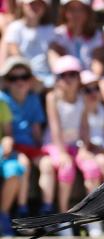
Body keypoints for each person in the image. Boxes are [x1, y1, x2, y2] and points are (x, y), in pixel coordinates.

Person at [42, 56, 104, 235]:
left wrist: (85, 149)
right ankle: (64, 217)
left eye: (73, 75)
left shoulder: (82, 98)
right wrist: (62, 153)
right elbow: (55, 127)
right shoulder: (52, 97)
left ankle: (91, 218)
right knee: (66, 169)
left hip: (76, 145)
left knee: (92, 168)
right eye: (64, 75)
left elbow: (84, 126)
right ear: (57, 79)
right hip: (55, 145)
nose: (69, 79)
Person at [50, 0, 104, 126]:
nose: (76, 14)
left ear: (88, 12)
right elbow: (58, 62)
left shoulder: (97, 35)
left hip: (92, 76)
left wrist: (90, 79)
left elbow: (97, 62)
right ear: (64, 12)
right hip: (69, 77)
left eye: (80, 10)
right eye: (72, 10)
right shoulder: (58, 35)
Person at [0, 57, 44, 217]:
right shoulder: (2, 100)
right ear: (7, 81)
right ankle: (22, 210)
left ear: (30, 80)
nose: (20, 82)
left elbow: (36, 129)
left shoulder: (33, 99)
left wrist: (40, 149)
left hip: (29, 147)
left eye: (24, 77)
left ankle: (48, 209)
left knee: (46, 165)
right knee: (23, 165)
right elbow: (8, 135)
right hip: (14, 149)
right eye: (14, 78)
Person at [1, 0, 55, 90]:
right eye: (32, 4)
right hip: (22, 76)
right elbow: (16, 54)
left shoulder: (50, 30)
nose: (35, 7)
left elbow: (52, 55)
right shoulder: (14, 27)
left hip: (45, 77)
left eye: (39, 4)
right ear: (23, 5)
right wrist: (30, 76)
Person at [80, 70, 104, 178]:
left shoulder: (103, 109)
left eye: (96, 88)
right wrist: (103, 150)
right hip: (91, 150)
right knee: (103, 161)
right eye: (88, 90)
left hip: (103, 148)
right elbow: (84, 141)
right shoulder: (80, 111)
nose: (93, 93)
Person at [0, 97, 27, 235]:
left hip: (1, 153)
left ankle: (3, 216)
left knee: (15, 169)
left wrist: (7, 141)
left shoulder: (2, 104)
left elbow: (8, 134)